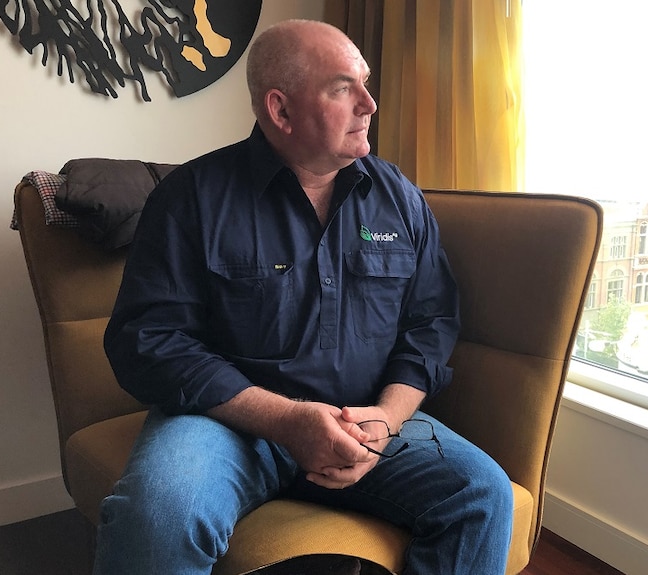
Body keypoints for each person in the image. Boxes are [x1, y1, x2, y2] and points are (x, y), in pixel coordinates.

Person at [94, 18, 513, 575]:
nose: (370, 103)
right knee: (161, 515)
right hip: (227, 424)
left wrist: (386, 419)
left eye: (364, 83)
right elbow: (147, 342)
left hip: (366, 419)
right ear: (281, 110)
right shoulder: (190, 199)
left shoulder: (400, 199)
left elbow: (430, 322)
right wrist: (287, 420)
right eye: (343, 88)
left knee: (483, 493)